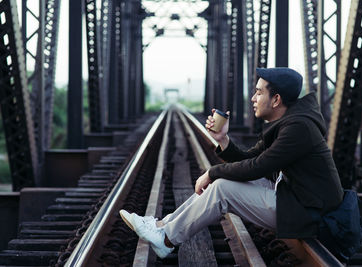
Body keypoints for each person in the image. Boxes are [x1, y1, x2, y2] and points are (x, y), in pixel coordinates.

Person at [119, 67, 344, 259]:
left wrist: (212, 173)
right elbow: (251, 159)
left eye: (258, 93)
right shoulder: (290, 122)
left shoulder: (298, 128)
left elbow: (257, 167)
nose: (253, 99)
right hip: (297, 199)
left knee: (222, 188)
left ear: (276, 100)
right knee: (224, 180)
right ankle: (161, 226)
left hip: (310, 213)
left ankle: (166, 240)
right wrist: (223, 140)